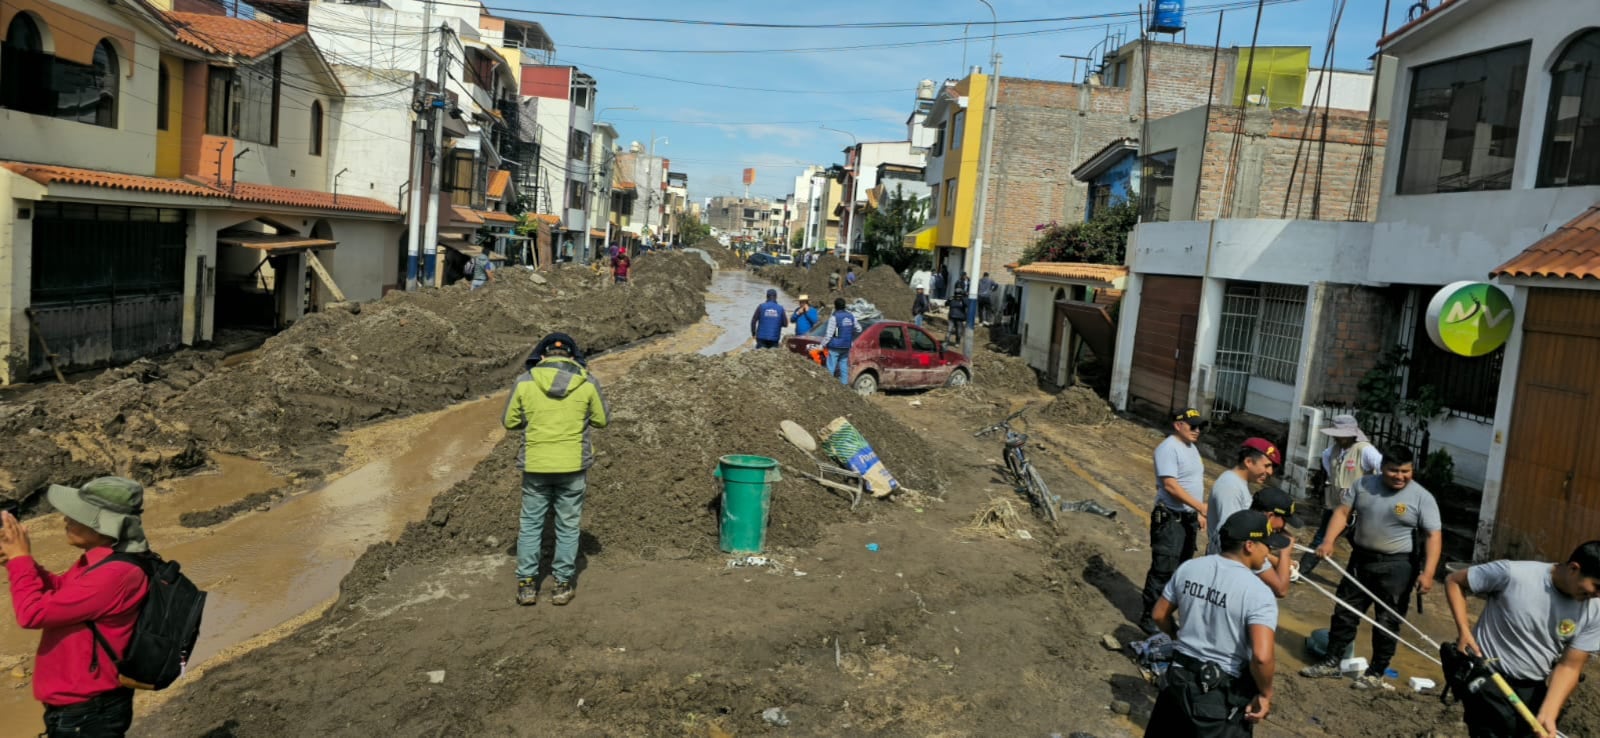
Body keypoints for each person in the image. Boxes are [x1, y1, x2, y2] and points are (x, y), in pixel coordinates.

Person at [3, 477, 152, 738]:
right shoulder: (104, 560)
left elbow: (32, 613)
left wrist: (20, 559)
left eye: (76, 515)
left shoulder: (115, 574)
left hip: (88, 710)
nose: (66, 519)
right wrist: (18, 561)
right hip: (82, 706)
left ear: (104, 525)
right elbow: (62, 592)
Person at [1301, 446, 1441, 689]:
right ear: (1382, 468)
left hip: (1397, 567)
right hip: (1360, 560)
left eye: (1406, 471)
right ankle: (1331, 662)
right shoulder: (1363, 485)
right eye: (1393, 470)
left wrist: (1428, 573)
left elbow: (1433, 535)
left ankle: (1375, 672)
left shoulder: (1422, 498)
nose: (1400, 476)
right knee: (1344, 612)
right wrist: (1328, 541)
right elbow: (1343, 512)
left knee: (1387, 621)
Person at [1144, 510, 1282, 738]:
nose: (1268, 553)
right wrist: (1265, 694)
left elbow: (1159, 615)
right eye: (1266, 545)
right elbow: (1262, 656)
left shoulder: (1190, 568)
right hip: (1218, 698)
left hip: (1176, 683)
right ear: (1250, 545)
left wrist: (1178, 638)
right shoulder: (1258, 592)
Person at [1444, 541, 1600, 737]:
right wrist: (1464, 631)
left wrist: (1548, 713)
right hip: (1489, 676)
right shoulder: (1514, 574)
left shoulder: (1595, 611)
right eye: (1596, 586)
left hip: (1533, 686)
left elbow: (1570, 666)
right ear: (1573, 568)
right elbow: (1454, 581)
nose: (1597, 595)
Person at [503, 333, 610, 607]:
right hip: (572, 466)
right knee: (568, 526)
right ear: (572, 357)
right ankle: (562, 585)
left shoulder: (525, 382)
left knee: (530, 525)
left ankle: (527, 586)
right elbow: (601, 420)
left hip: (536, 464)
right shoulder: (587, 382)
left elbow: (510, 421)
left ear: (543, 355)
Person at [1139, 408, 1209, 635]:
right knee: (1163, 569)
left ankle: (1166, 614)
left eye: (1200, 427)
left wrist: (1197, 512)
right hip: (1170, 518)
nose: (1197, 430)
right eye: (1193, 426)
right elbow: (1170, 485)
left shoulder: (1191, 448)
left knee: (1181, 570)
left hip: (1187, 518)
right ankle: (1150, 618)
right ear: (1178, 425)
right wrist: (1200, 507)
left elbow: (1192, 481)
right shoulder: (1168, 449)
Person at [1300, 414, 1383, 576]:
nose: (1338, 438)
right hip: (1336, 504)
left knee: (1362, 545)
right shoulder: (1329, 452)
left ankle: (1368, 576)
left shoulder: (1365, 450)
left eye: (1342, 435)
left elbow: (1382, 469)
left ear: (1353, 433)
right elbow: (1333, 474)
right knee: (1322, 538)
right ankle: (1301, 571)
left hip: (1359, 509)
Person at [1206, 438, 1282, 556]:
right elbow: (1233, 533)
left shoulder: (1238, 483)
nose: (1270, 472)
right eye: (1267, 466)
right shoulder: (1230, 487)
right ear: (1249, 462)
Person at [819, 297, 857, 386]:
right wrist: (850, 336)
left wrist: (822, 345)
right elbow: (858, 328)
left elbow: (829, 334)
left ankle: (828, 385)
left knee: (831, 366)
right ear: (844, 306)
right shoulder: (851, 316)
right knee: (843, 365)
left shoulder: (834, 317)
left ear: (835, 307)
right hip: (846, 346)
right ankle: (844, 385)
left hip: (835, 347)